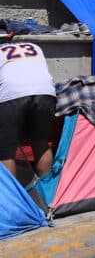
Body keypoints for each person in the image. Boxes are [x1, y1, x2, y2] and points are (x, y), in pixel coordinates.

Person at [0, 39, 56, 180]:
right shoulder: (34, 46)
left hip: (12, 95)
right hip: (45, 93)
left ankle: (12, 198)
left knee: (5, 150)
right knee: (40, 142)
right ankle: (48, 193)